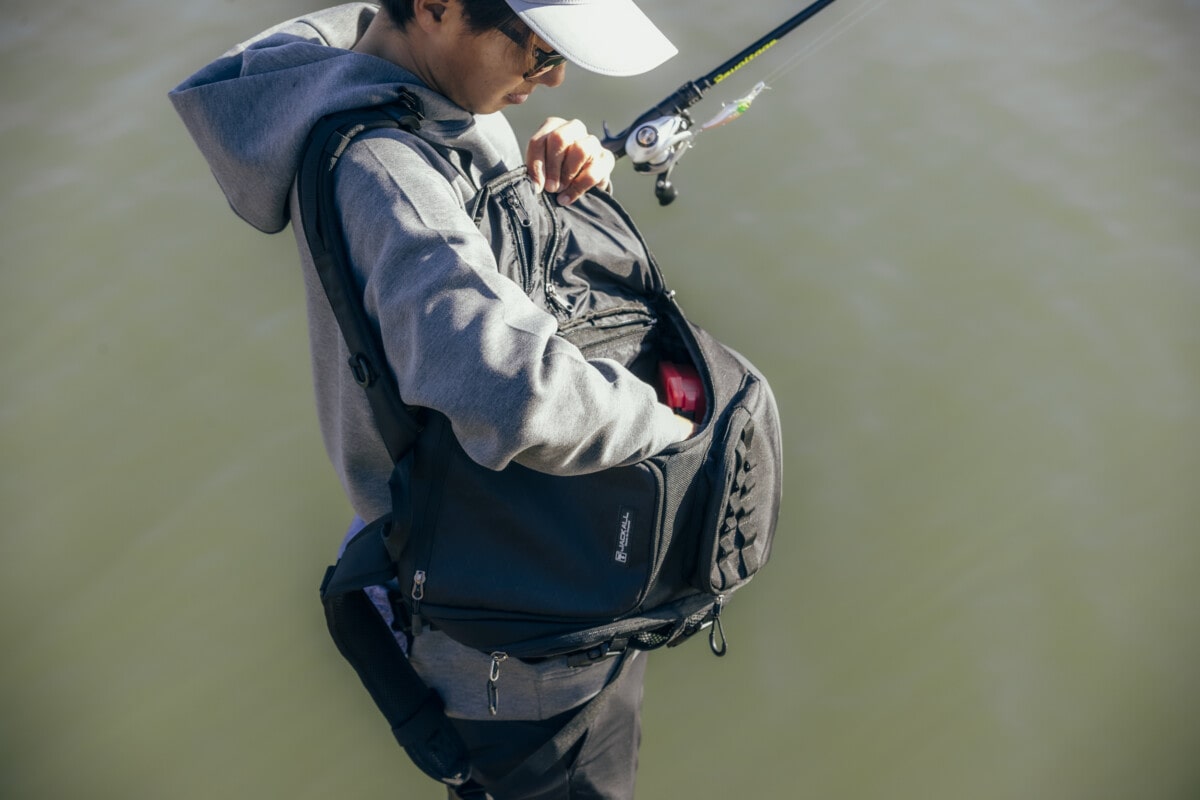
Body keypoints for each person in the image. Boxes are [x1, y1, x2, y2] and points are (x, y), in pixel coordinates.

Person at [170, 1, 692, 797]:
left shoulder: (411, 92)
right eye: (540, 51)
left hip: (514, 566)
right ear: (436, 6)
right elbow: (512, 391)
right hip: (515, 647)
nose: (554, 79)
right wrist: (679, 432)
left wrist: (551, 187)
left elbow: (471, 284)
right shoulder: (387, 174)